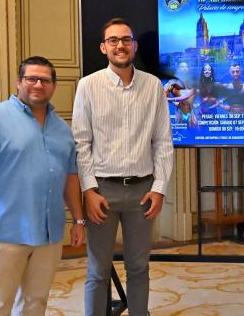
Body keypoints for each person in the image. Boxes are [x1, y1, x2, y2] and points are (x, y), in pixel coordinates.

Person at [0, 56, 85, 316]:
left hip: (49, 235)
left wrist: (79, 221)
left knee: (35, 303)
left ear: (53, 86)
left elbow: (71, 176)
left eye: (45, 80)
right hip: (5, 231)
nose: (38, 84)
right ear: (18, 82)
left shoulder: (62, 129)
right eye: (31, 78)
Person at [72, 17, 174, 316]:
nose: (120, 45)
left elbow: (163, 142)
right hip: (101, 192)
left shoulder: (153, 86)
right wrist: (89, 190)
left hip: (142, 192)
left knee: (139, 268)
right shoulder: (88, 86)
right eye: (113, 40)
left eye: (126, 40)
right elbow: (81, 143)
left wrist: (159, 189)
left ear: (134, 46)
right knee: (98, 270)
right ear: (104, 47)